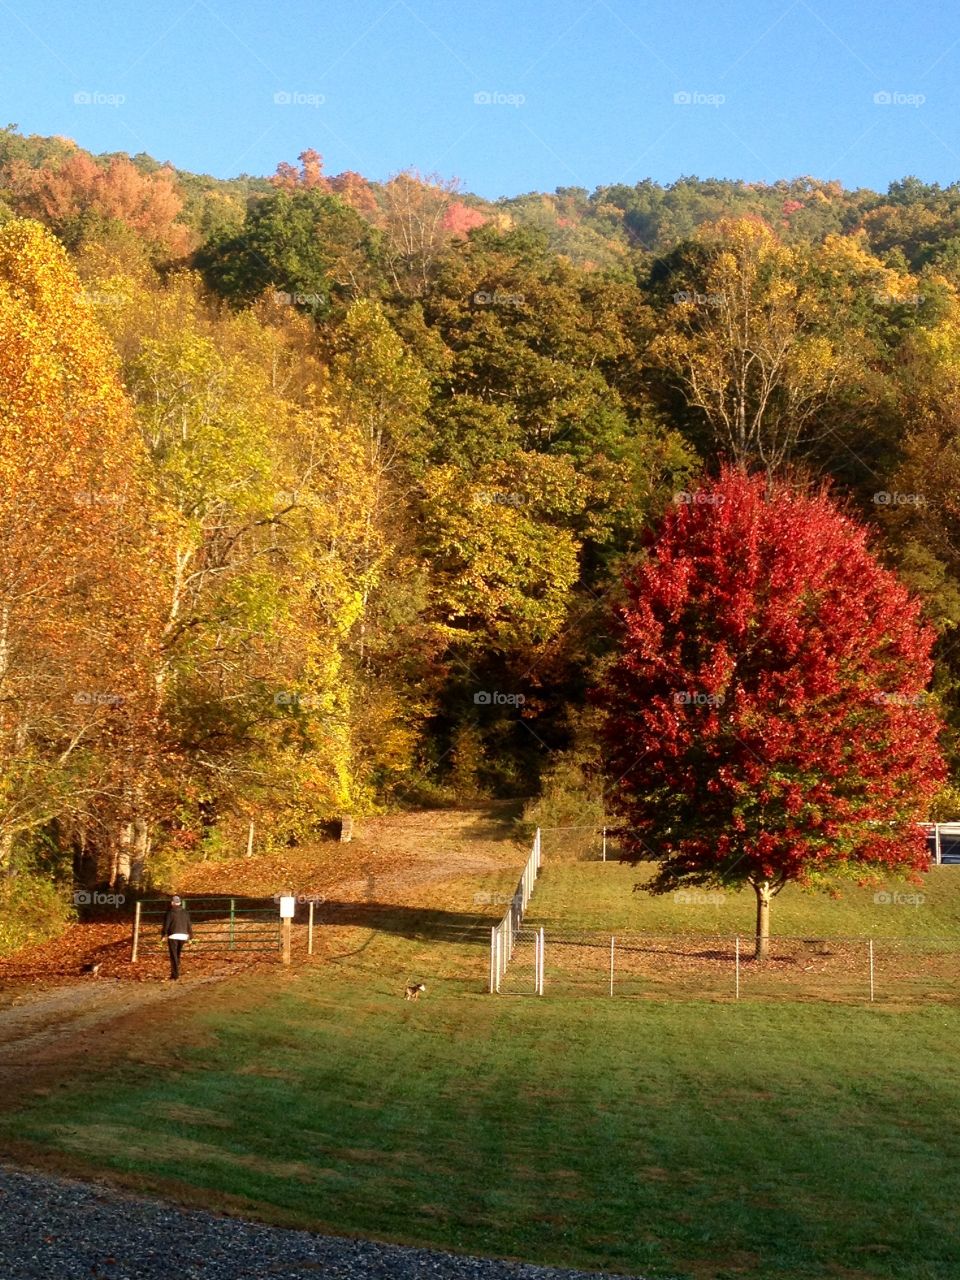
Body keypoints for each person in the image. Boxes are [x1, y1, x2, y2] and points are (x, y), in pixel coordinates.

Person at [160, 894, 193, 980]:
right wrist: (191, 936)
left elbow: (166, 925)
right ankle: (176, 971)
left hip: (173, 935)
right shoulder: (185, 912)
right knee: (177, 954)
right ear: (180, 903)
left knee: (173, 955)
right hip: (183, 935)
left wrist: (163, 935)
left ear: (172, 903)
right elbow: (189, 924)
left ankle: (175, 974)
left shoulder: (170, 913)